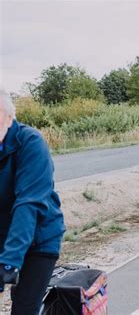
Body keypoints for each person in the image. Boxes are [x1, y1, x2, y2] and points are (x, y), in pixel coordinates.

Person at [0, 89, 66, 314]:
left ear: (9, 117)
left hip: (40, 238)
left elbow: (28, 203)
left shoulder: (30, 142)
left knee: (24, 307)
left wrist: (9, 260)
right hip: (4, 236)